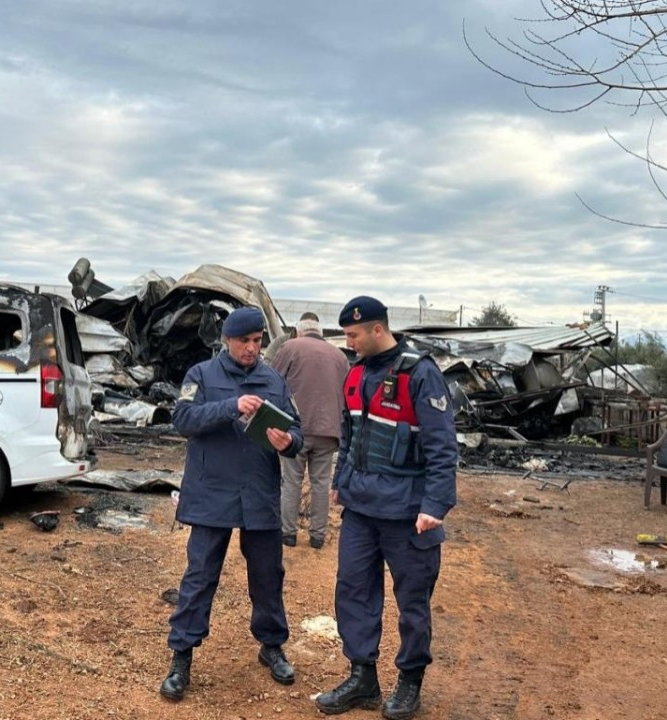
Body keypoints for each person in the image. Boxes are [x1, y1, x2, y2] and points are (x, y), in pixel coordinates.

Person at [315, 297, 457, 720]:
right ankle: (363, 678)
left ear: (378, 330)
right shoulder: (355, 374)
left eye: (353, 335)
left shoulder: (421, 374)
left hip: (409, 514)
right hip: (360, 510)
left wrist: (435, 504)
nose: (349, 341)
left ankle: (410, 683)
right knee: (354, 592)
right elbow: (349, 433)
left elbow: (442, 447)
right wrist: (341, 483)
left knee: (413, 601)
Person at [159, 306, 305, 702]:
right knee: (200, 576)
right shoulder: (202, 375)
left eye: (258, 341)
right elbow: (182, 418)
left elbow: (297, 432)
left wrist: (288, 442)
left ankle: (271, 645)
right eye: (245, 342)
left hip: (258, 493)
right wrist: (231, 406)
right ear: (228, 340)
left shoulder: (273, 379)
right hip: (211, 493)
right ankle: (182, 656)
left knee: (267, 576)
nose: (252, 349)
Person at [270, 312, 349, 549]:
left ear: (298, 331)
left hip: (296, 430)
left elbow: (272, 380)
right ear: (320, 331)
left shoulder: (290, 347)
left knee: (291, 481)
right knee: (321, 484)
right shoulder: (340, 355)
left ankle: (288, 534)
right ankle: (317, 536)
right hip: (329, 430)